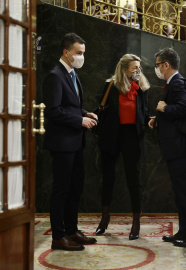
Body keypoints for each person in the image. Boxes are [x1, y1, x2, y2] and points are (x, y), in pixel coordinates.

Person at [43, 33, 98, 251]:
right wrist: (79, 120)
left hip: (75, 142)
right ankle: (58, 236)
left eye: (83, 53)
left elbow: (70, 105)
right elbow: (53, 111)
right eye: (78, 53)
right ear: (66, 52)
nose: (81, 57)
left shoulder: (72, 73)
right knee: (61, 190)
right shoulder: (55, 75)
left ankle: (72, 230)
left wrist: (86, 113)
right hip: (62, 143)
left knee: (75, 188)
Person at [148, 48, 186, 248]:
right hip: (178, 148)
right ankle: (185, 231)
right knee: (181, 192)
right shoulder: (173, 83)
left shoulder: (178, 83)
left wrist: (164, 108)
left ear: (166, 65)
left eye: (157, 65)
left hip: (181, 149)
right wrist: (159, 118)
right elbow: (179, 114)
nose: (156, 69)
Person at [95, 54, 150, 240]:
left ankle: (136, 222)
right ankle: (104, 218)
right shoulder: (111, 86)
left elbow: (144, 112)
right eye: (135, 67)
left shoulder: (142, 88)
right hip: (111, 136)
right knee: (108, 177)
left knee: (133, 178)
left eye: (139, 67)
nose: (138, 71)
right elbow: (102, 109)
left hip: (132, 137)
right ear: (125, 69)